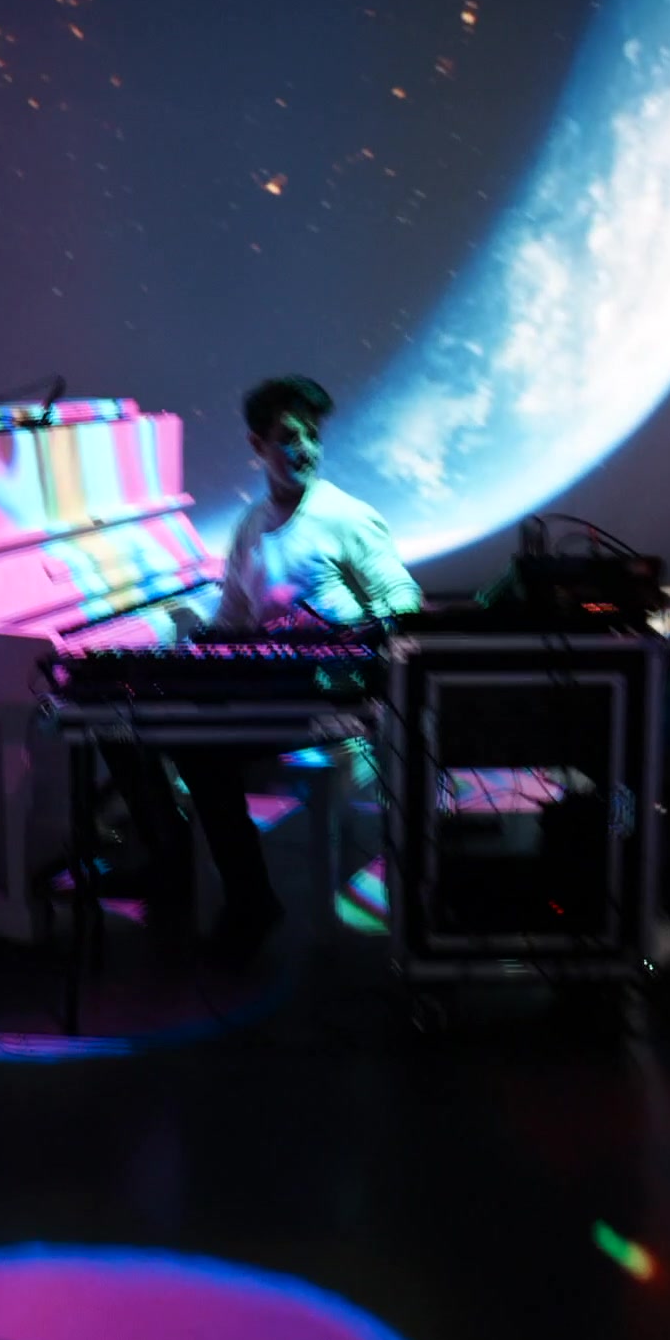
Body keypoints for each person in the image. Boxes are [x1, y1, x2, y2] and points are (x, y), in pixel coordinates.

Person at [172, 375, 423, 961]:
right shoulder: (249, 526)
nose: (305, 448)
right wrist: (200, 647)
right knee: (180, 740)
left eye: (311, 435)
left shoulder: (346, 516)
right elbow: (232, 620)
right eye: (289, 437)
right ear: (257, 446)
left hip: (339, 697)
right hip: (278, 692)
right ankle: (229, 892)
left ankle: (249, 904)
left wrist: (353, 634)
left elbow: (404, 598)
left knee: (203, 753)